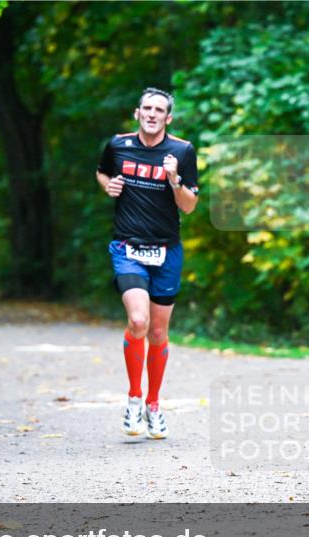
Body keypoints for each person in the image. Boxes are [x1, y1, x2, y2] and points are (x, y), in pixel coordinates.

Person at [96, 87, 199, 439]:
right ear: (137, 113)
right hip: (127, 247)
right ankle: (134, 398)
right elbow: (102, 173)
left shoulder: (182, 151)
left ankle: (154, 404)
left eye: (160, 110)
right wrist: (108, 185)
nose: (152, 114)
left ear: (168, 118)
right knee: (137, 321)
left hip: (166, 251)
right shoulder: (118, 145)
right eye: (147, 108)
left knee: (157, 332)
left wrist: (174, 180)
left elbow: (188, 205)